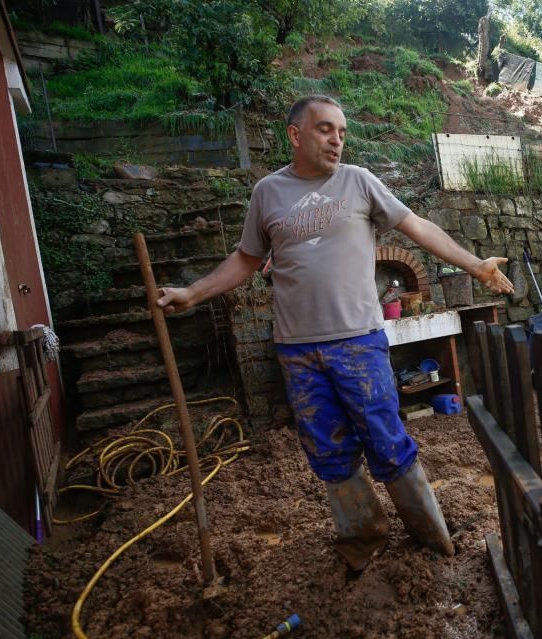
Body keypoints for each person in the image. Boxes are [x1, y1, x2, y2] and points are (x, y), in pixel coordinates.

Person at [157, 94, 513, 571]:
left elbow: (417, 226)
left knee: (387, 439)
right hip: (297, 351)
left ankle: (431, 537)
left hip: (358, 342)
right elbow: (245, 259)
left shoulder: (359, 182)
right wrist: (193, 293)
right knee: (327, 449)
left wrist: (475, 264)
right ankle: (363, 537)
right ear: (295, 134)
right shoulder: (268, 193)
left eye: (342, 132)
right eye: (325, 129)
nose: (337, 140)